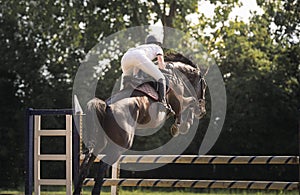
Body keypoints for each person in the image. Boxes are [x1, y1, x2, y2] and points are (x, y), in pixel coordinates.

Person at [120, 35, 169, 109]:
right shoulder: (157, 47)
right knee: (161, 77)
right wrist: (164, 69)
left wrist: (136, 75)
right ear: (157, 43)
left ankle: (120, 96)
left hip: (125, 58)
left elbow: (136, 67)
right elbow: (160, 62)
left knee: (126, 78)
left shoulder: (142, 47)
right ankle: (162, 103)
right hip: (138, 56)